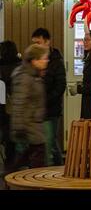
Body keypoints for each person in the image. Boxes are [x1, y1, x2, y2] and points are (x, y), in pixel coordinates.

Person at [9, 43, 49, 171]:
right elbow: (20, 102)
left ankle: (10, 176)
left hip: (33, 124)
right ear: (34, 61)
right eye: (44, 58)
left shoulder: (34, 75)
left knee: (27, 157)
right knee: (37, 159)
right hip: (29, 125)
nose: (46, 61)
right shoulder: (25, 77)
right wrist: (20, 127)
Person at [31, 28, 66, 166]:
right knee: (42, 143)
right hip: (37, 110)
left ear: (47, 41)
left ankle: (58, 170)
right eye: (34, 44)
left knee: (50, 142)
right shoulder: (34, 60)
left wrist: (45, 100)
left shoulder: (56, 60)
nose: (36, 47)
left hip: (51, 110)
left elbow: (60, 86)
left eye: (38, 43)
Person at [0, 41, 21, 167]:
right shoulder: (20, 66)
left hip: (3, 106)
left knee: (6, 135)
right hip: (18, 105)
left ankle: (9, 162)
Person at [77, 31, 91, 119]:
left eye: (88, 40)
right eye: (84, 40)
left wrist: (79, 89)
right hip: (87, 99)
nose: (85, 42)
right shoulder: (88, 57)